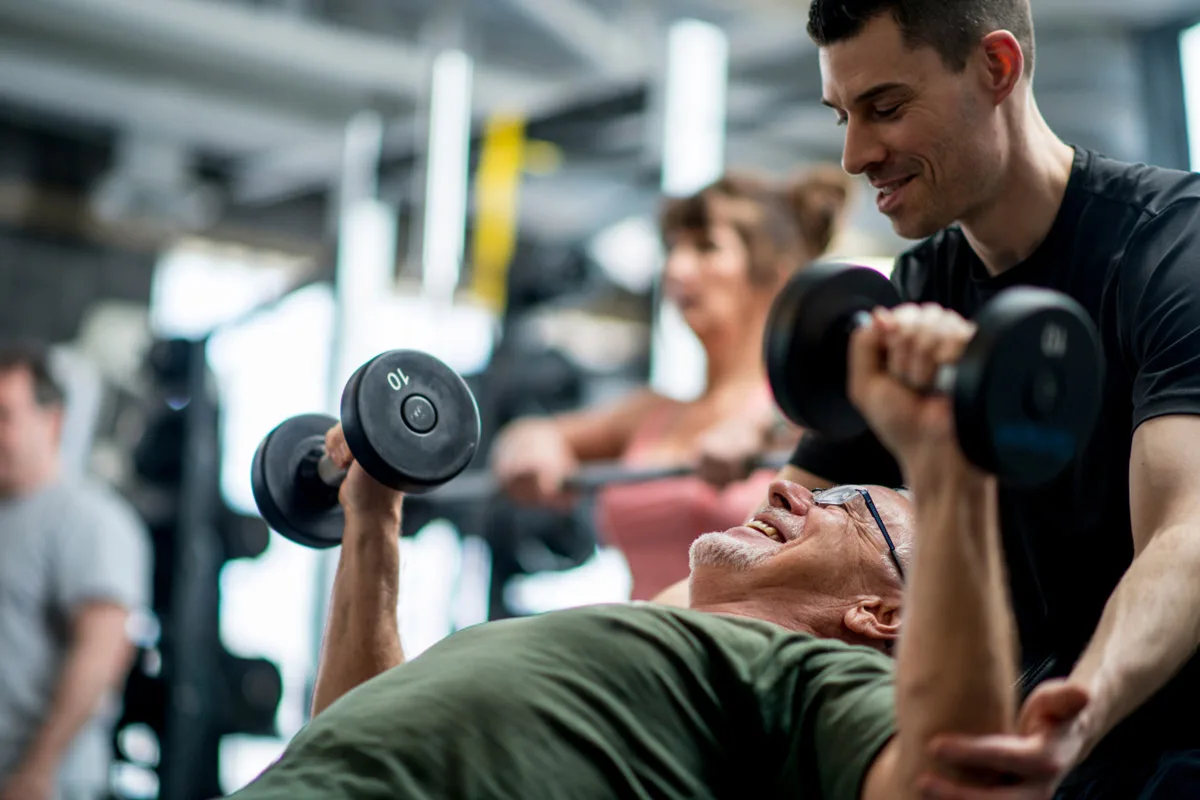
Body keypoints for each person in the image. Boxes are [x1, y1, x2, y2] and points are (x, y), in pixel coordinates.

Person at [224, 312, 1060, 800]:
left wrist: (950, 466)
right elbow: (349, 726)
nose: (787, 490)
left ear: (881, 614)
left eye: (843, 505)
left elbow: (952, 784)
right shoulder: (638, 643)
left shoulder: (802, 683)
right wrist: (373, 517)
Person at [762, 1, 1200, 796]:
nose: (856, 154)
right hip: (1031, 732)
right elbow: (779, 540)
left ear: (997, 68)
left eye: (886, 108)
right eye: (842, 117)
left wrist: (1077, 712)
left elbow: (1188, 533)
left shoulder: (1173, 249)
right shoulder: (918, 295)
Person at [491, 167, 853, 600]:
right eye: (673, 248)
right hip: (640, 651)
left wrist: (764, 431)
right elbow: (533, 433)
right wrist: (530, 444)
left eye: (706, 248)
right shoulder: (652, 413)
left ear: (775, 273)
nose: (676, 268)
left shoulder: (804, 411)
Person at [0, 341, 151, 800]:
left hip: (44, 785)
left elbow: (101, 655)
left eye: (4, 416)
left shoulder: (89, 520)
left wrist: (37, 770)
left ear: (53, 422)